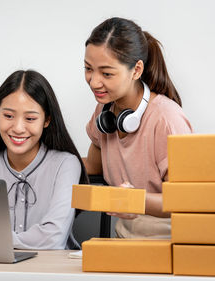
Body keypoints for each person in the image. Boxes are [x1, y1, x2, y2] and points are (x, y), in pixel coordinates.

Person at [83, 17, 193, 239]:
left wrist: (136, 201)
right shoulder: (104, 112)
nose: (94, 82)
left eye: (106, 73)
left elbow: (185, 200)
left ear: (136, 70)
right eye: (88, 69)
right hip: (125, 240)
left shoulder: (166, 119)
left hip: (171, 243)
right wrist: (40, 160)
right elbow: (93, 167)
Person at [0, 70, 88, 249]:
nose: (18, 128)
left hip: (52, 272)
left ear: (47, 120)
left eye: (30, 118)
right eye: (8, 116)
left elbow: (53, 238)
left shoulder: (65, 165)